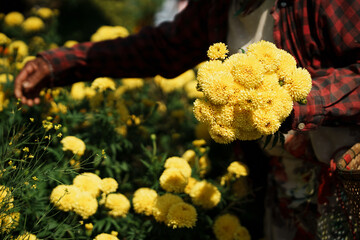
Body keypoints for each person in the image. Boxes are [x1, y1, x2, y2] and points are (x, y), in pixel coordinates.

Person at [14, 0, 360, 239]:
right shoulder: (219, 6)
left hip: (349, 177)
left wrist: (298, 103)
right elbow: (163, 48)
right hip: (288, 190)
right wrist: (61, 63)